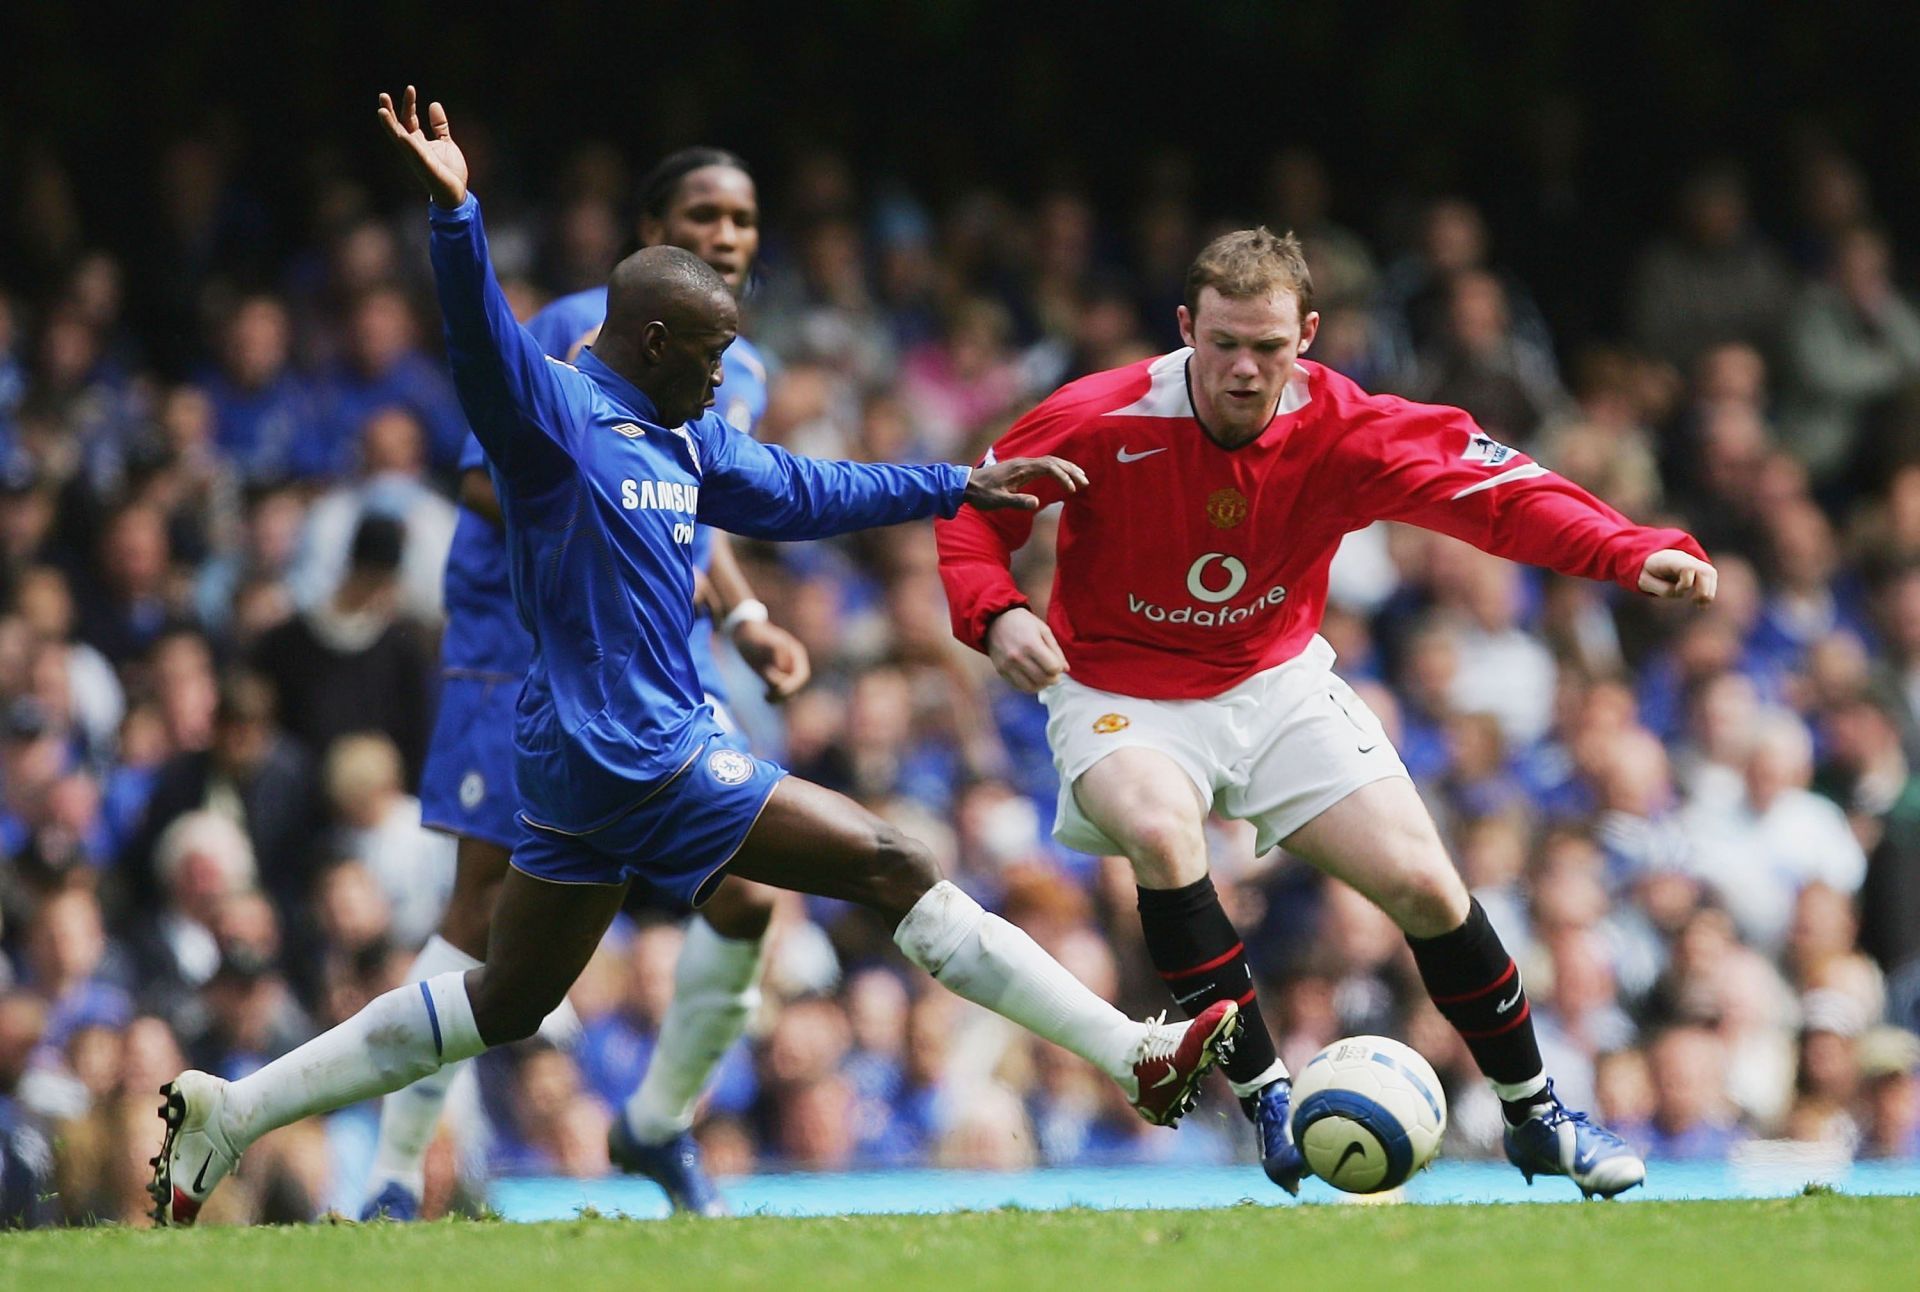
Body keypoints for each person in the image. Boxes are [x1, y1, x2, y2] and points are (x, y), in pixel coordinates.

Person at [148, 88, 1238, 1228]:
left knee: (505, 997)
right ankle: (1133, 1055)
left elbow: (808, 489)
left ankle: (235, 1107)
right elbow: (478, 334)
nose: (728, 377)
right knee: (890, 860)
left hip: (587, 764)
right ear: (657, 340)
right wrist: (456, 214)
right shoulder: (555, 418)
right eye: (713, 354)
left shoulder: (687, 434)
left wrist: (954, 483)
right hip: (638, 751)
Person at [935, 225, 1719, 1199]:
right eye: (1222, 342)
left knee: (1427, 886)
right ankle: (1268, 1093)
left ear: (1306, 334)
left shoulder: (1347, 426)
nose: (1243, 368)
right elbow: (974, 512)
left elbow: (1500, 493)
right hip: (1120, 692)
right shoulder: (1101, 414)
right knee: (1159, 828)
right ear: (1186, 328)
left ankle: (1536, 1114)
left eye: (1267, 346)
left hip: (1275, 684)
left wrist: (1628, 550)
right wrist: (996, 612)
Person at [360, 148, 805, 1220]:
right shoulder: (578, 323)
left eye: (744, 216)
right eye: (704, 213)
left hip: (645, 654)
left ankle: (656, 1122)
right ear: (650, 225)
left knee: (745, 891)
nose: (729, 234)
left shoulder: (737, 361)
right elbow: (497, 476)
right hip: (521, 642)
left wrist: (742, 614)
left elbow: (691, 492)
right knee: (481, 905)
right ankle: (388, 1179)